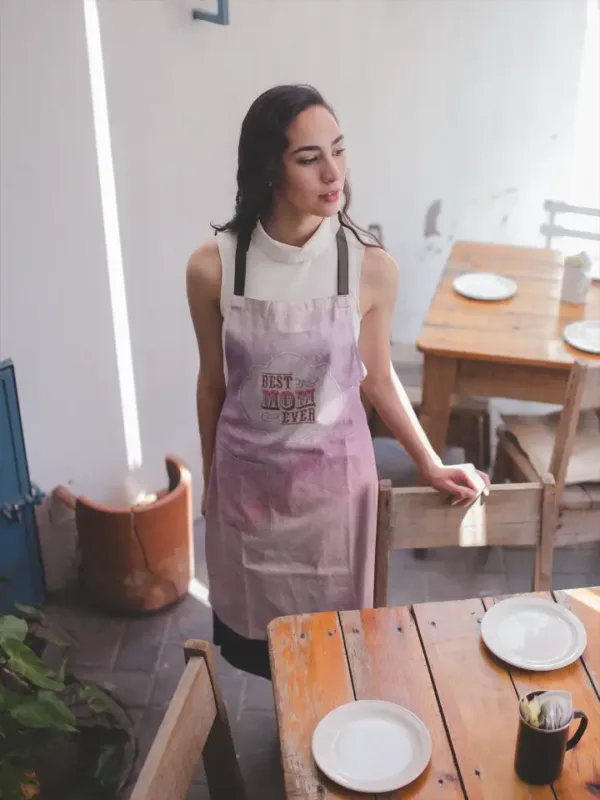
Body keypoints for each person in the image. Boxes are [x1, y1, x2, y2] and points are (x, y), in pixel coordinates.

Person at [186, 85, 489, 679]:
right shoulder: (214, 269)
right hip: (250, 496)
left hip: (333, 505)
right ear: (268, 169)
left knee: (336, 652)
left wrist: (427, 461)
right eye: (309, 158)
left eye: (339, 151)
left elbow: (376, 380)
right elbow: (211, 386)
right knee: (270, 656)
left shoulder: (369, 267)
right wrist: (213, 484)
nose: (334, 173)